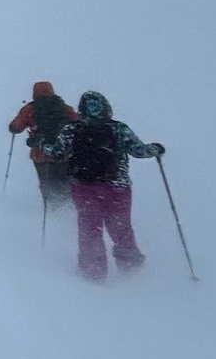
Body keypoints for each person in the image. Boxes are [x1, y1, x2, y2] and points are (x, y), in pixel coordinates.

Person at [44, 91, 166, 283]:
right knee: (121, 228)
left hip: (84, 187)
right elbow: (139, 151)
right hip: (118, 186)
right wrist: (155, 149)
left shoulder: (72, 129)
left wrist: (43, 145)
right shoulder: (119, 129)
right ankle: (132, 271)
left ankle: (92, 274)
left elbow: (57, 152)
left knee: (90, 229)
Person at [8, 81, 79, 209]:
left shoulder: (29, 109)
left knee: (46, 180)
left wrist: (13, 126)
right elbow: (77, 121)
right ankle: (68, 205)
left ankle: (51, 206)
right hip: (63, 152)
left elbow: (16, 128)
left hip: (40, 154)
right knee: (64, 179)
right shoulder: (64, 107)